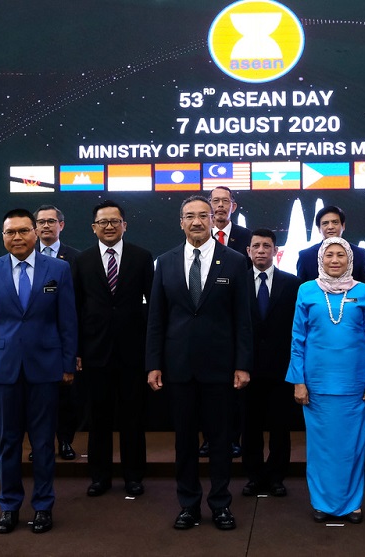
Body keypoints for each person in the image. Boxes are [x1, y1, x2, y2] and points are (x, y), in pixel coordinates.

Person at [146, 195, 253, 531]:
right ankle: (188, 505)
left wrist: (243, 363)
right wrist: (153, 363)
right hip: (178, 368)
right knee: (184, 441)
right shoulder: (164, 261)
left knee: (220, 441)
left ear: (212, 220)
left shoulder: (235, 261)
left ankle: (221, 504)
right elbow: (156, 319)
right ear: (180, 222)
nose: (196, 222)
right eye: (189, 216)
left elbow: (244, 319)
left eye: (202, 216)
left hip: (221, 369)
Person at [0, 208, 77, 534]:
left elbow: (67, 320)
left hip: (45, 369)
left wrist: (68, 362)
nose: (17, 237)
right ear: (3, 237)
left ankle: (43, 506)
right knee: (8, 443)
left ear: (35, 233)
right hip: (2, 371)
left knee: (44, 443)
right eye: (10, 232)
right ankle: (9, 506)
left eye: (22, 231)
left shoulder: (58, 269)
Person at [287, 237, 365, 525]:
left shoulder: (362, 291)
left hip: (354, 385)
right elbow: (298, 340)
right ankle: (321, 503)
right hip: (316, 385)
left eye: (340, 255)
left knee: (351, 447)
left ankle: (352, 504)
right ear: (320, 259)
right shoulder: (306, 290)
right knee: (321, 448)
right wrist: (298, 381)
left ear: (349, 260)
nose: (334, 260)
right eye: (329, 255)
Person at [71, 200, 153, 498]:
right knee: (99, 419)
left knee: (133, 418)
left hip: (133, 353)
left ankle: (134, 476)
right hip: (94, 353)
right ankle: (100, 476)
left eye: (114, 221)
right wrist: (76, 350)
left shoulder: (142, 257)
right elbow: (76, 309)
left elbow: (153, 307)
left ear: (124, 225)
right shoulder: (82, 261)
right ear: (94, 227)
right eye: (102, 222)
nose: (109, 226)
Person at [241, 229, 298, 497]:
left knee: (279, 426)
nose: (261, 250)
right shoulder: (236, 283)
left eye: (267, 245)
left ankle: (276, 477)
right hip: (246, 368)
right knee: (249, 426)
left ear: (276, 251)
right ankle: (253, 477)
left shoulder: (293, 283)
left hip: (281, 368)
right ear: (248, 251)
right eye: (256, 246)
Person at [203, 186, 251, 458]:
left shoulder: (246, 237)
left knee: (232, 388)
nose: (220, 206)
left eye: (225, 201)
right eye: (215, 201)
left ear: (234, 206)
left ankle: (233, 438)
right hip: (203, 321)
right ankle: (208, 439)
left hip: (233, 321)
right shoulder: (197, 234)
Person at [34, 204, 81, 461]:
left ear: (61, 225)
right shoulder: (23, 256)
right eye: (41, 222)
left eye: (51, 221)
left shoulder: (76, 258)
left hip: (63, 338)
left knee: (66, 397)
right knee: (35, 400)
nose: (45, 226)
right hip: (33, 339)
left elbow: (81, 304)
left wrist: (77, 348)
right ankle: (39, 445)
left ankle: (65, 442)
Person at [296, 206, 365, 284]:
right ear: (319, 228)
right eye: (325, 223)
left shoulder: (359, 254)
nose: (330, 227)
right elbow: (300, 291)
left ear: (343, 226)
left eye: (335, 222)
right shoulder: (305, 256)